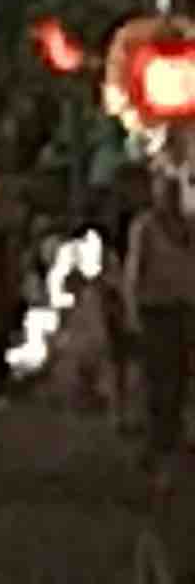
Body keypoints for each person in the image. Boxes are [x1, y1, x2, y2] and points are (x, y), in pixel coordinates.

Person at [131, 173, 195, 462]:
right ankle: (158, 439)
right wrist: (133, 310)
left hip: (185, 307)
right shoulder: (145, 227)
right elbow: (135, 270)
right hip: (156, 309)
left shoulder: (189, 227)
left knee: (181, 376)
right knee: (159, 377)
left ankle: (175, 434)